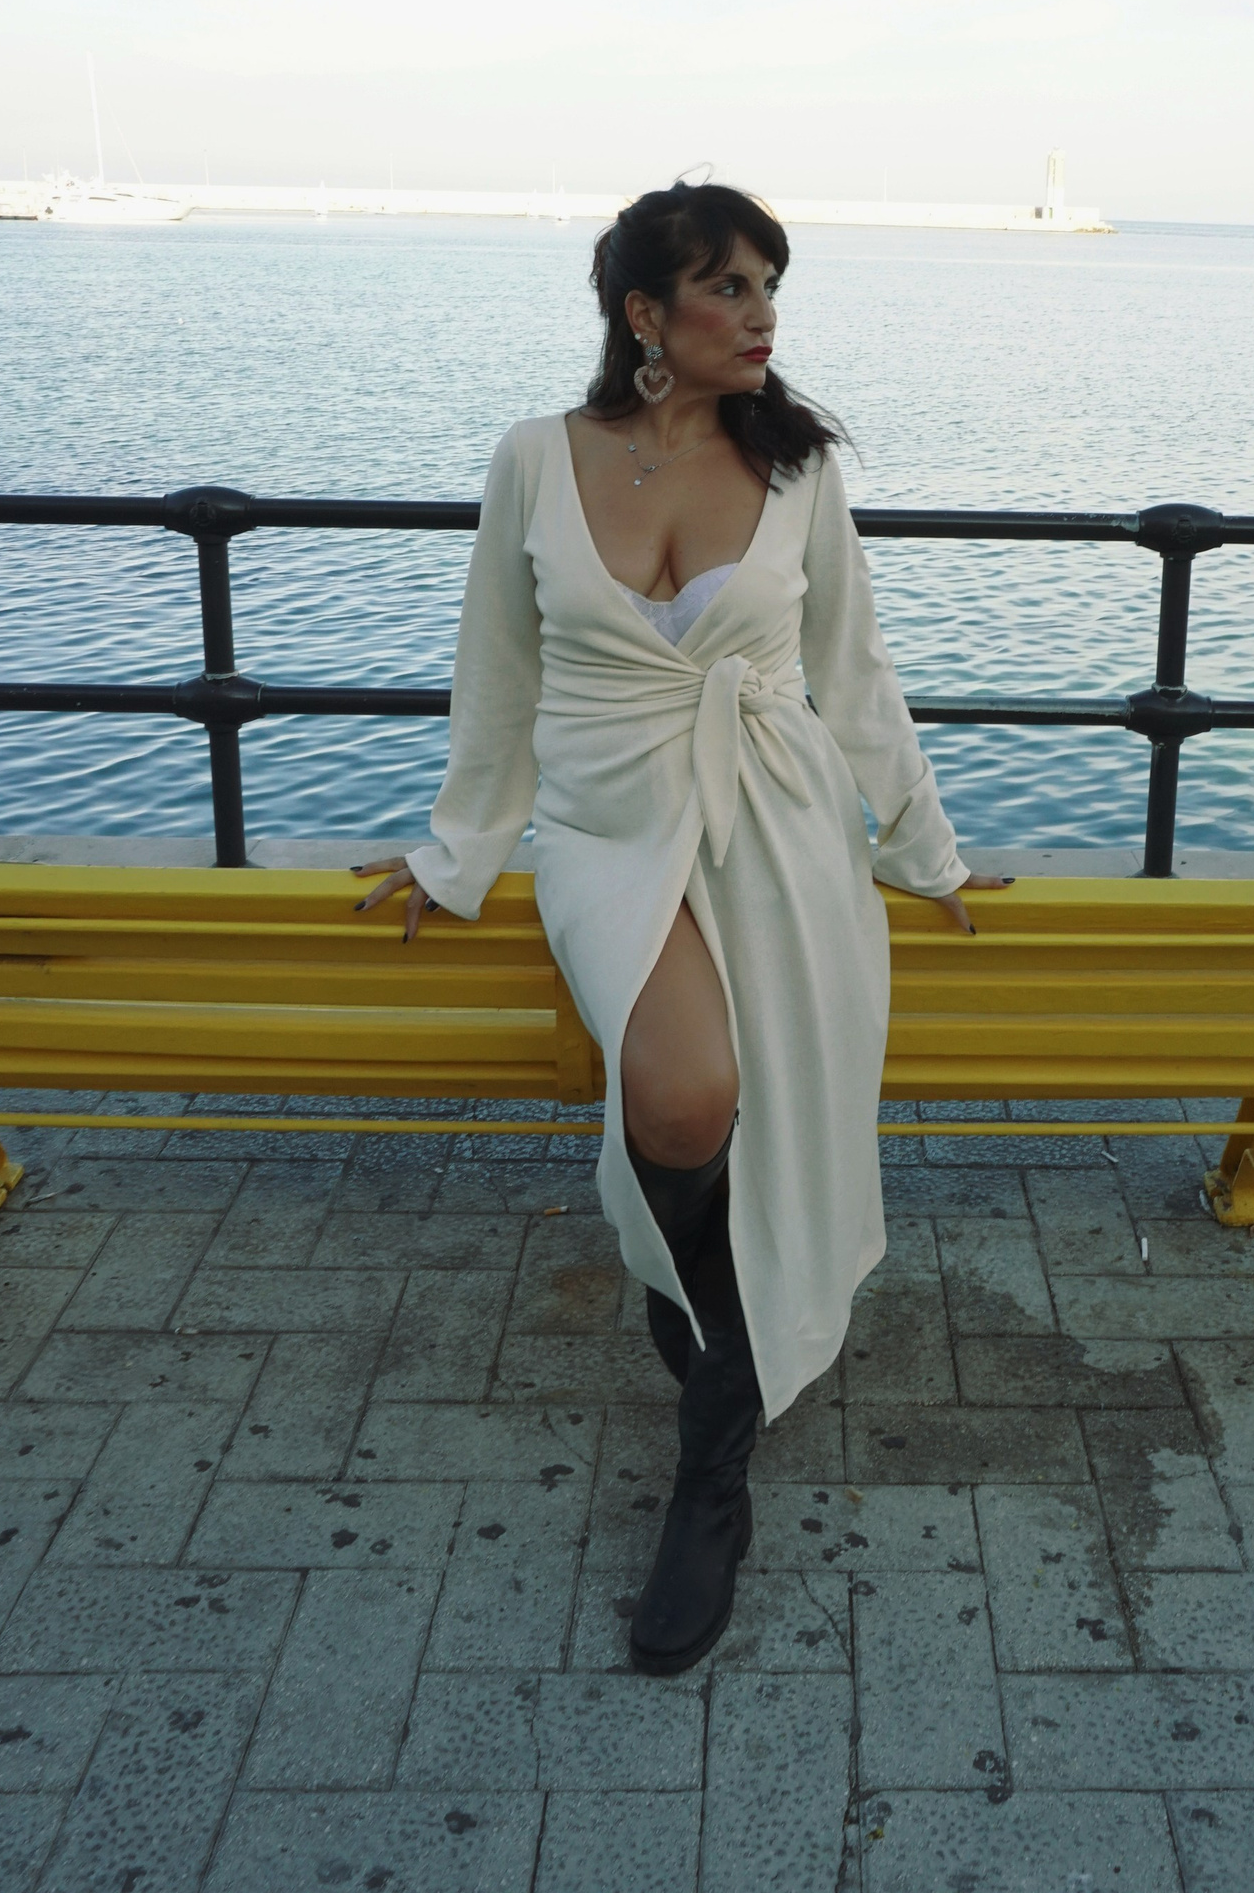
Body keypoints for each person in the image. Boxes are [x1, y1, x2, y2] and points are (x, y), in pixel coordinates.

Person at [354, 180, 1004, 1673]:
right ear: (645, 314)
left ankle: (712, 1466)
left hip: (777, 822)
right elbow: (497, 677)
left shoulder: (797, 467)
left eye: (770, 284)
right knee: (686, 1095)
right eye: (728, 286)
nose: (762, 314)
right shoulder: (537, 458)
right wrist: (461, 852)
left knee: (729, 1110)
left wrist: (926, 851)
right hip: (605, 832)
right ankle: (721, 1349)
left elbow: (855, 669)